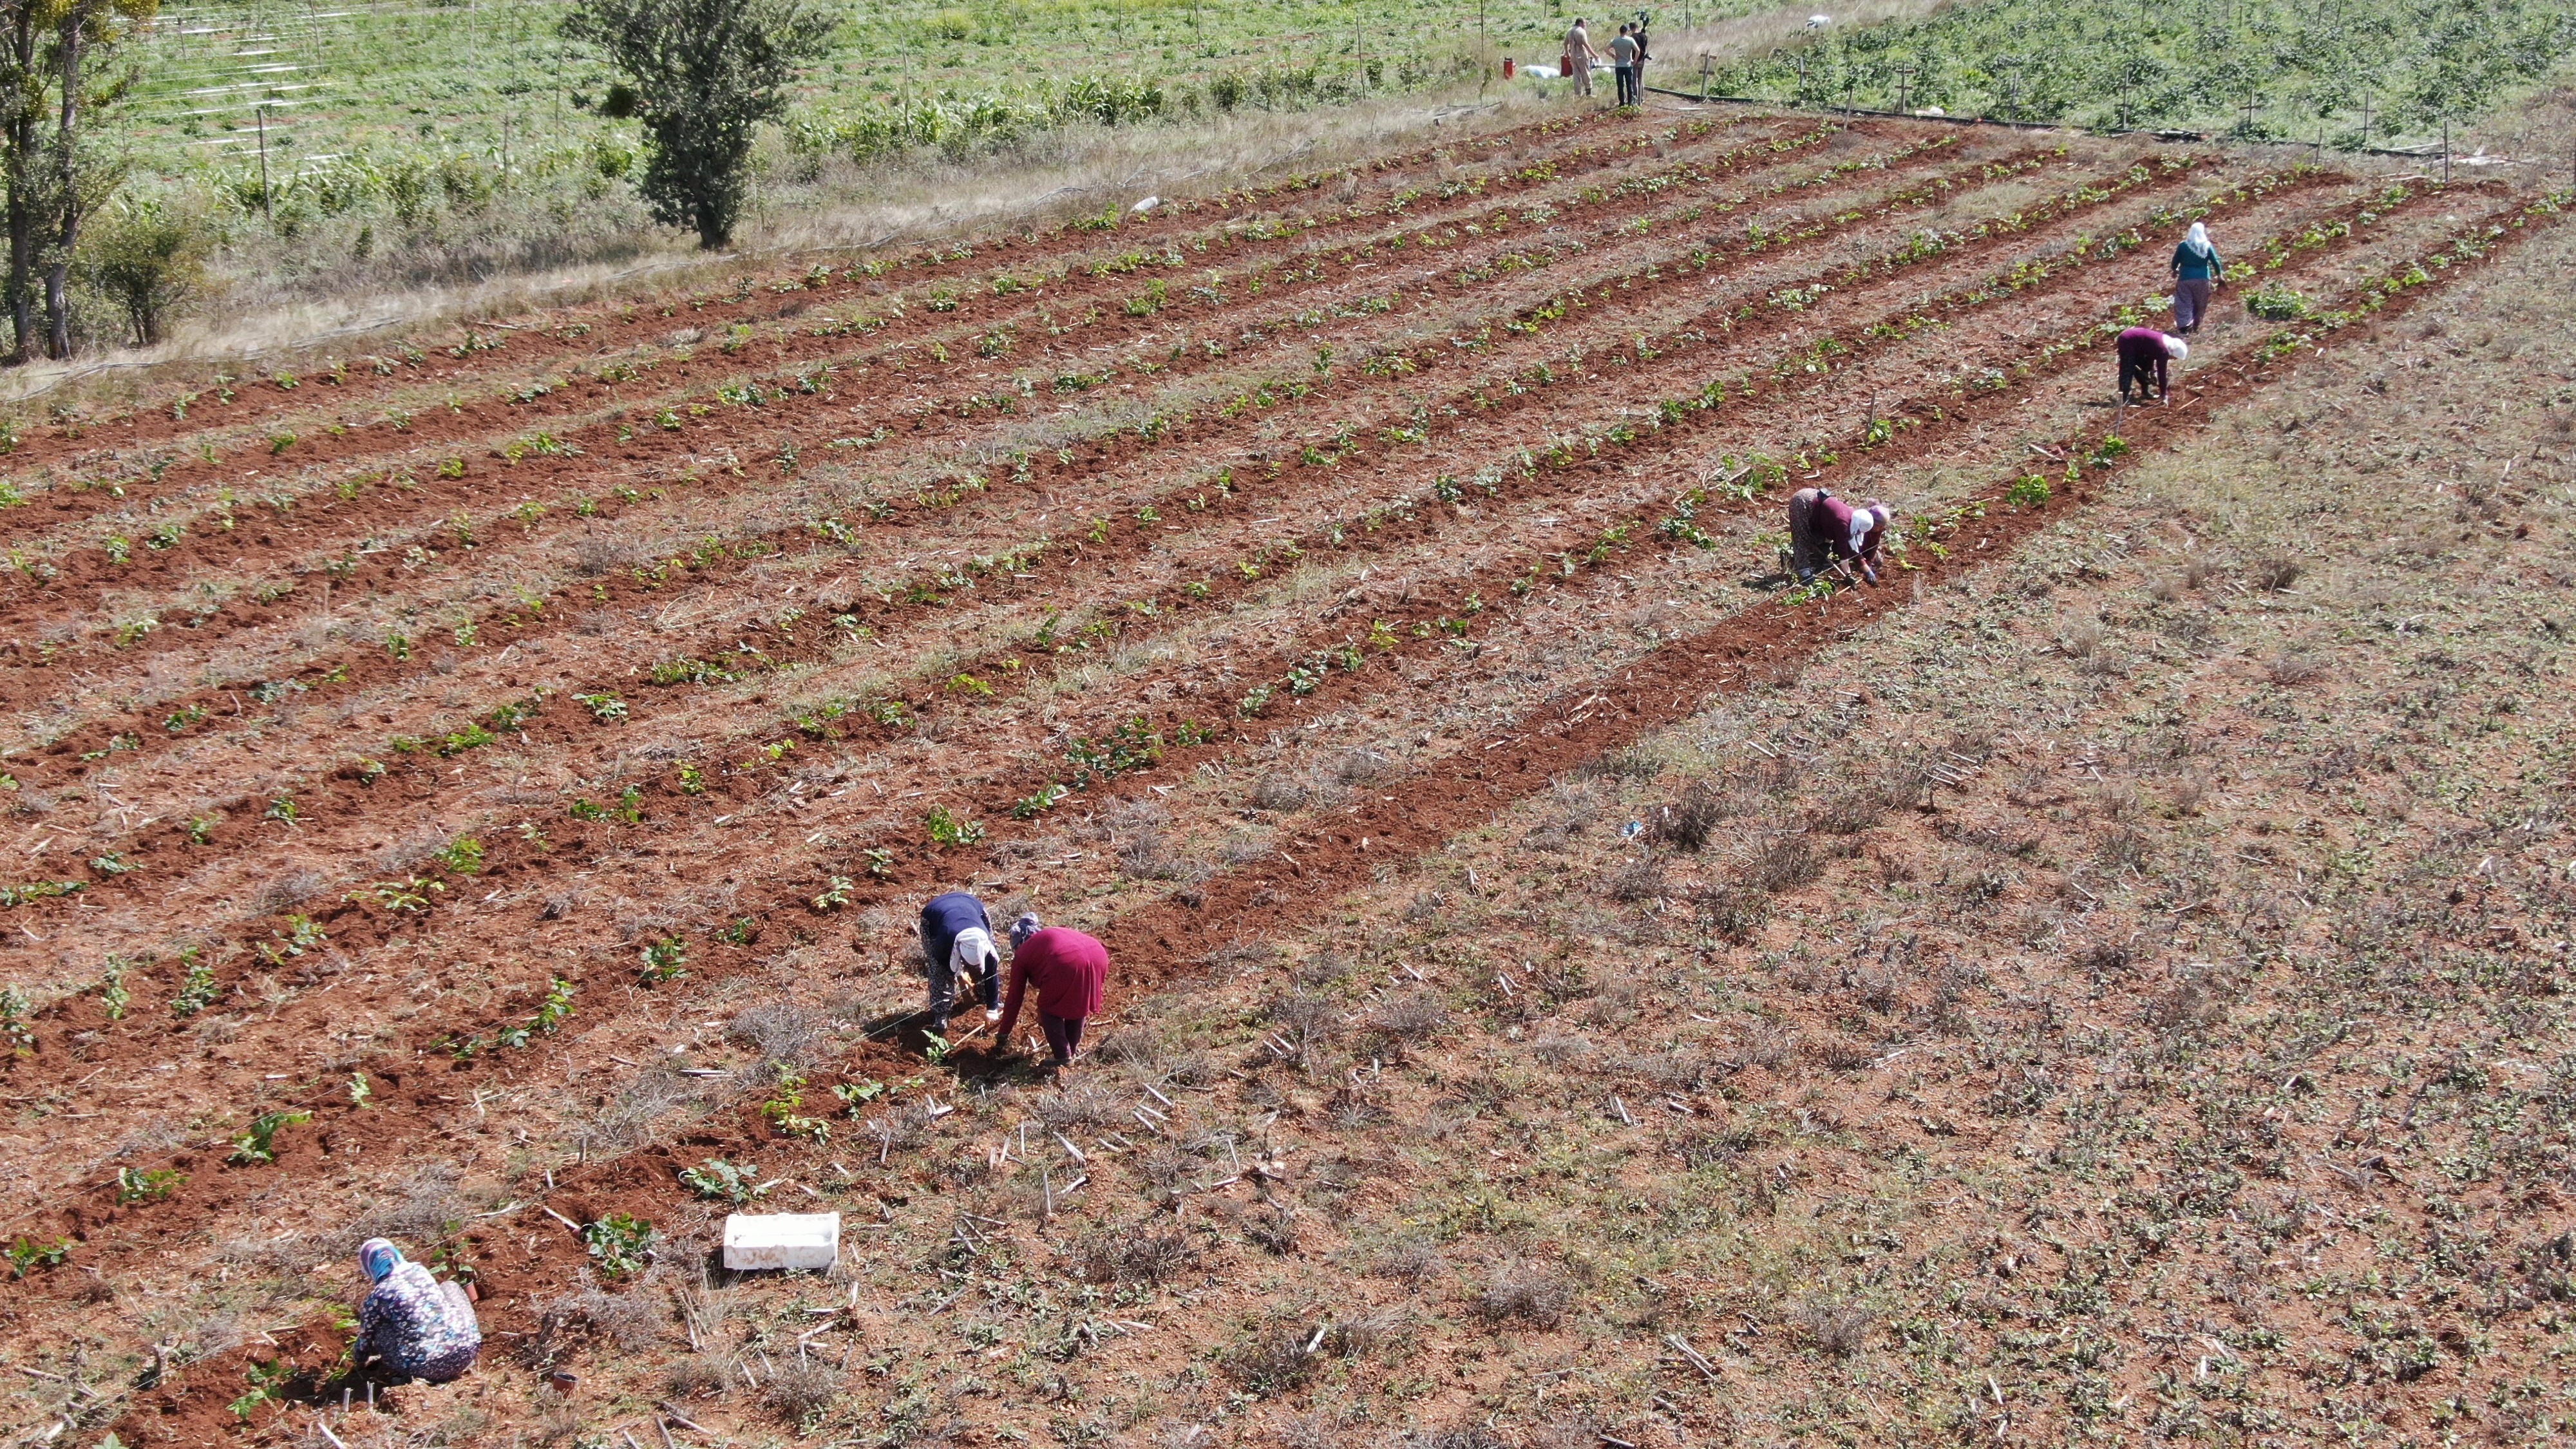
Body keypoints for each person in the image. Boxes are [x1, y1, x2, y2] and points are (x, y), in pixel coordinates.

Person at [354, 1238, 480, 1384]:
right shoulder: (420, 1271)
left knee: (380, 1329)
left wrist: (359, 1361)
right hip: (467, 1352)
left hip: (424, 1367)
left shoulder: (377, 1296)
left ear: (371, 1267)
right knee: (450, 1286)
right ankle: (461, 1339)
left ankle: (411, 1372)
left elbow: (365, 1338)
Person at [994, 913, 1108, 1070]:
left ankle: (1063, 1057)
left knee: (1048, 1008)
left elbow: (1014, 998)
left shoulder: (1023, 953)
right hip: (1098, 954)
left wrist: (1003, 1034)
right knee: (1079, 999)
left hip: (1067, 962)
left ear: (1018, 944)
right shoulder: (1046, 938)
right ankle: (1070, 1052)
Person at [918, 890, 1001, 1037]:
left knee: (986, 971)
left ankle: (984, 998)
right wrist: (957, 973)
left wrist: (992, 1008)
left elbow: (991, 974)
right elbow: (941, 962)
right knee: (939, 972)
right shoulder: (946, 940)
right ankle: (941, 1014)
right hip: (934, 915)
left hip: (972, 905)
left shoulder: (986, 945)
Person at [1786, 489, 1893, 583]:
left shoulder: (1857, 519)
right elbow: (1844, 553)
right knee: (1802, 537)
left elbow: (1852, 546)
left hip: (1819, 510)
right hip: (1803, 502)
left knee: (1819, 539)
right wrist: (1848, 574)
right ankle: (1804, 571)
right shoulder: (1844, 525)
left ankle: (1817, 556)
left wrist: (1867, 568)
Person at [2169, 222, 2224, 334]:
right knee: (2200, 304)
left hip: (2185, 279)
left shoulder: (2183, 246)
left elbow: (2175, 262)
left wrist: (2175, 269)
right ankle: (2196, 326)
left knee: (2184, 302)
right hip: (2203, 279)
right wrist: (2220, 276)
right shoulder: (2207, 246)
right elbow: (2216, 262)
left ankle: (2184, 327)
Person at [2116, 326, 2186, 404]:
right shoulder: (2163, 351)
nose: (2173, 360)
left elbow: (2150, 355)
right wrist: (2164, 394)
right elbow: (2162, 373)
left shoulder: (2166, 343)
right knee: (2128, 369)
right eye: (2174, 358)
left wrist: (2151, 370)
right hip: (2127, 340)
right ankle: (2123, 399)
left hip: (2138, 344)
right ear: (2173, 352)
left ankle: (2145, 393)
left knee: (2145, 367)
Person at [1609, 23, 1640, 106]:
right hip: (1628, 65)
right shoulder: (1630, 40)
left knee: (1620, 85)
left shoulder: (1615, 41)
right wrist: (1635, 60)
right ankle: (1630, 102)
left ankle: (1622, 102)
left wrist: (1613, 56)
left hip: (1619, 66)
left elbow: (1606, 49)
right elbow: (1638, 50)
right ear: (1626, 31)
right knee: (1629, 85)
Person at [1563, 18, 1594, 97]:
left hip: (1573, 55)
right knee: (1585, 72)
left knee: (1576, 74)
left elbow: (1565, 43)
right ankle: (1588, 92)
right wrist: (1594, 55)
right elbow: (1586, 44)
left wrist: (1568, 54)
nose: (1585, 25)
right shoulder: (1581, 31)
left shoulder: (1570, 31)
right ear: (1580, 23)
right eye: (1584, 23)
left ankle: (1578, 94)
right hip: (1581, 54)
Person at [1631, 11, 1652, 96]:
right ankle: (1641, 97)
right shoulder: (1644, 36)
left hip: (1635, 60)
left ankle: (1635, 97)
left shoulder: (1632, 37)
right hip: (1642, 60)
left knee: (1634, 79)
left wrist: (1634, 60)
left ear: (1632, 28)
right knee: (1640, 79)